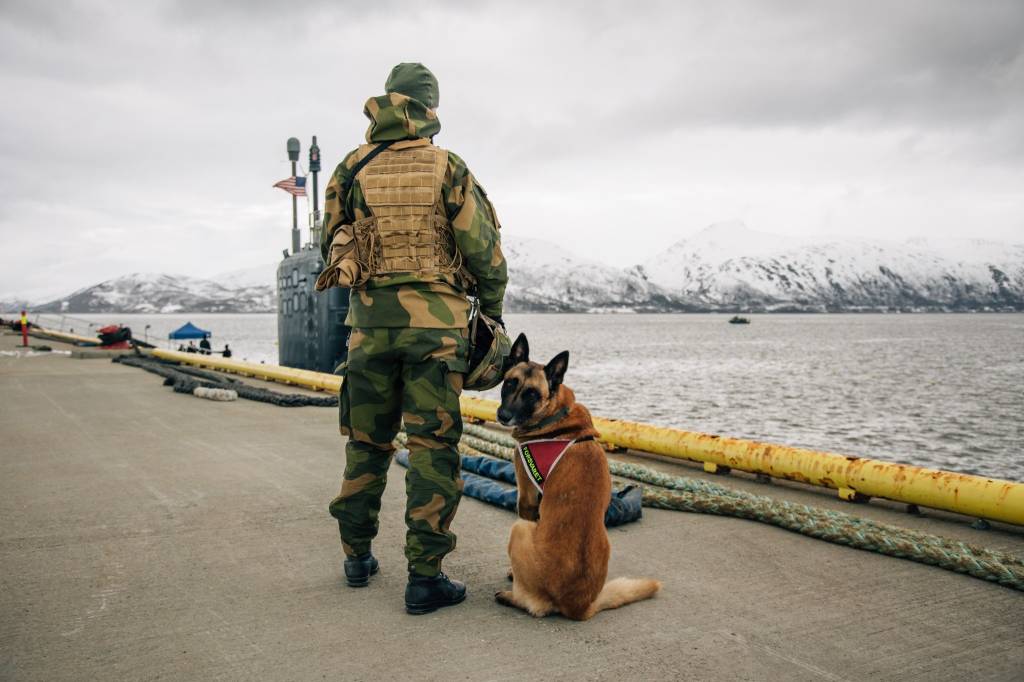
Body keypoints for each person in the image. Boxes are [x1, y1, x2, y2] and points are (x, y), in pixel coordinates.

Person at [319, 63, 507, 614]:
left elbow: (331, 239)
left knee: (366, 442)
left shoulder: (352, 167)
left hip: (368, 329)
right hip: (436, 331)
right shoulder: (449, 167)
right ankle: (425, 577)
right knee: (432, 447)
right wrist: (491, 316)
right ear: (429, 110)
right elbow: (485, 253)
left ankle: (356, 556)